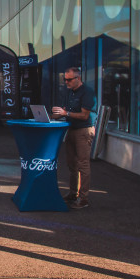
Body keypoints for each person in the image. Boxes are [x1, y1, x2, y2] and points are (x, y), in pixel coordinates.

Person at [52, 67, 97, 209]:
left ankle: (83, 199)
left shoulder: (87, 92)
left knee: (83, 164)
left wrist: (66, 113)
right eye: (65, 79)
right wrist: (56, 114)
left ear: (78, 78)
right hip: (72, 129)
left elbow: (84, 115)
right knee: (72, 163)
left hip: (84, 130)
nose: (66, 82)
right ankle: (73, 193)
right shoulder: (69, 92)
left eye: (69, 79)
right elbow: (67, 111)